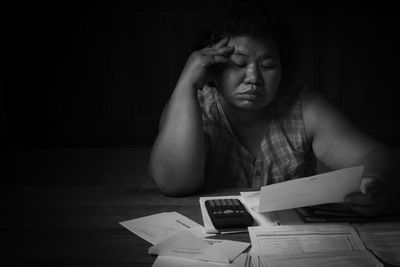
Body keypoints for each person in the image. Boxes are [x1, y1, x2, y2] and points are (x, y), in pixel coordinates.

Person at [148, 1, 399, 217]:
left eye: (267, 66)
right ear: (214, 68)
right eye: (238, 63)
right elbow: (173, 183)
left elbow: (376, 157)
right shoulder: (192, 105)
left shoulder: (305, 106)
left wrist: (376, 183)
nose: (254, 78)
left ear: (283, 70)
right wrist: (186, 82)